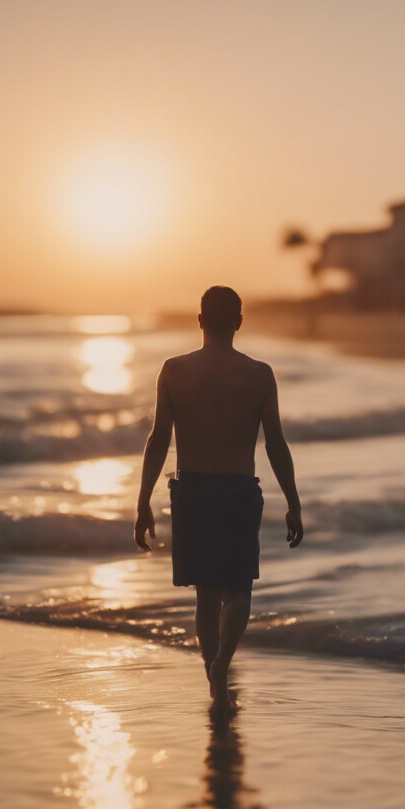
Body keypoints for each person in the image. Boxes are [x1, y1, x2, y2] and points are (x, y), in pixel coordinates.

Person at [134, 285, 303, 713]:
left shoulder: (173, 370)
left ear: (201, 320)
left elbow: (158, 440)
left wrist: (143, 500)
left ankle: (214, 676)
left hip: (190, 491)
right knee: (238, 589)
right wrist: (293, 500)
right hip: (237, 491)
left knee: (205, 595)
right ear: (239, 323)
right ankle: (222, 664)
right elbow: (276, 445)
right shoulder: (260, 374)